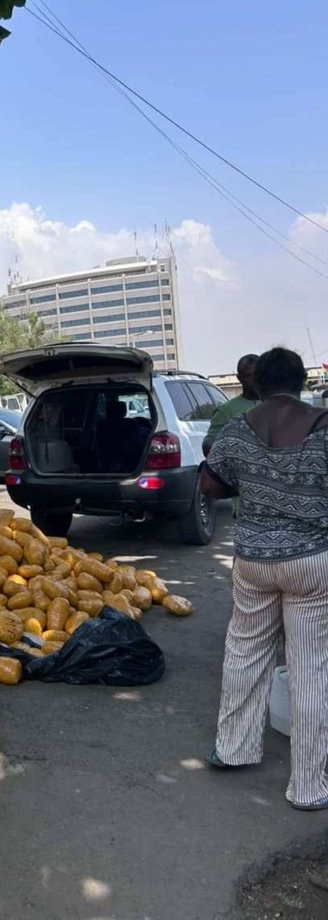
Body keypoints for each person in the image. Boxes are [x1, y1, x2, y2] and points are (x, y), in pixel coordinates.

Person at [201, 347, 328, 809]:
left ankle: (232, 749)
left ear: (257, 383)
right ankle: (309, 787)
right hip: (311, 560)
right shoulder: (323, 426)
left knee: (245, 650)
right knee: (310, 667)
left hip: (253, 558)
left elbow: (210, 482)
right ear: (301, 382)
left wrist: (252, 481)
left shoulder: (239, 427)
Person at [202, 354, 260, 456]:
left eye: (258, 375)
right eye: (249, 376)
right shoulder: (225, 411)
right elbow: (209, 446)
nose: (254, 380)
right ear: (239, 378)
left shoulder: (279, 406)